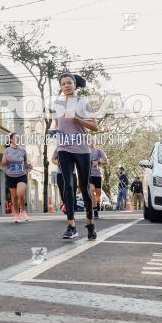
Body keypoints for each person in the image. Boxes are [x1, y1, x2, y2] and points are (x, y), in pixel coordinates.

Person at [51, 72, 99, 241]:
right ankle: (71, 226)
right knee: (68, 186)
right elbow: (57, 124)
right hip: (64, 148)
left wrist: (77, 118)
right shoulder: (57, 104)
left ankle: (90, 224)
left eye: (69, 83)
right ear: (61, 86)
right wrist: (54, 131)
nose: (66, 86)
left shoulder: (83, 102)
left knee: (84, 187)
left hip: (82, 149)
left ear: (75, 85)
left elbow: (95, 127)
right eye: (63, 83)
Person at [2, 132, 32, 222]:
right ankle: (16, 214)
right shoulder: (7, 151)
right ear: (11, 140)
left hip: (21, 175)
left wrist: (29, 166)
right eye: (15, 138)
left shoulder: (22, 150)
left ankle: (23, 211)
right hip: (10, 176)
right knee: (14, 197)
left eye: (18, 138)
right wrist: (6, 160)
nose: (17, 139)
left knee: (20, 193)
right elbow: (2, 163)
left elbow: (25, 163)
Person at [52, 146, 78, 214]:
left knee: (72, 192)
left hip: (72, 174)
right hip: (61, 174)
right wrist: (61, 163)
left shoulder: (75, 148)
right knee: (63, 192)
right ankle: (66, 205)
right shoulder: (58, 148)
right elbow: (53, 159)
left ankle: (71, 211)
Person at [90, 137, 108, 219]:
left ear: (95, 142)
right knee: (92, 192)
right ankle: (95, 211)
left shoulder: (99, 151)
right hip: (89, 175)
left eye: (92, 141)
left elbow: (106, 161)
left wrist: (98, 162)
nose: (90, 142)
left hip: (98, 175)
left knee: (98, 194)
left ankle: (97, 204)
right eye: (89, 140)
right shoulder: (85, 152)